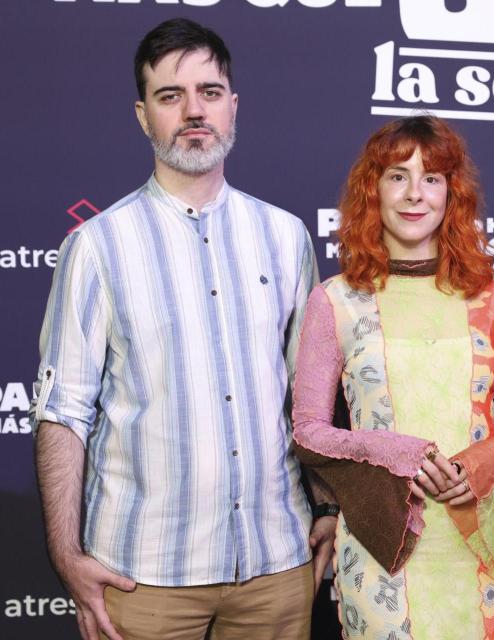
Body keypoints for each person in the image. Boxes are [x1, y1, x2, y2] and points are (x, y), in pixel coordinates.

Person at [31, 18, 334, 640]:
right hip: (141, 577)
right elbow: (63, 413)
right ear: (144, 116)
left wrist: (330, 503)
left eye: (210, 92)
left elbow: (309, 401)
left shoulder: (286, 238)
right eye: (171, 96)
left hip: (277, 566)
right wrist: (66, 556)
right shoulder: (97, 246)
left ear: (233, 105)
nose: (194, 111)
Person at [291, 115, 494, 639]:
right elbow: (309, 430)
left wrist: (475, 464)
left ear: (452, 194)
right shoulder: (336, 300)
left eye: (431, 178)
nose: (414, 194)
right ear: (373, 190)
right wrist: (398, 455)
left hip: (484, 545)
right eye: (397, 176)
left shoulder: (493, 297)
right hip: (383, 544)